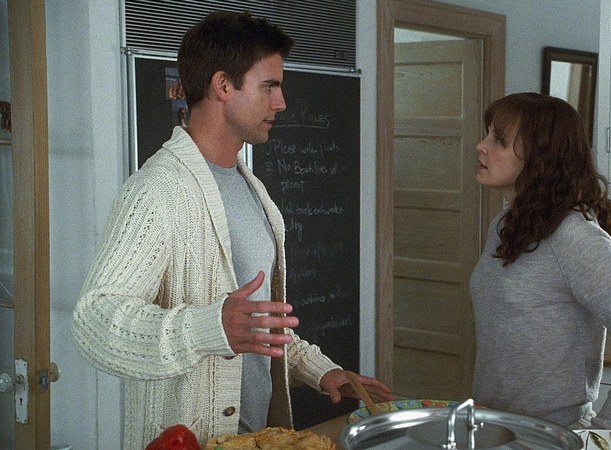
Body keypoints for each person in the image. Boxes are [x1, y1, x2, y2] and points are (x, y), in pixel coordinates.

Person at [72, 11, 393, 448]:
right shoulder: (156, 190)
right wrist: (207, 329)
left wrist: (321, 371)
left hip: (255, 437)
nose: (281, 103)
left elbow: (251, 325)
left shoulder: (251, 188)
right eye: (269, 86)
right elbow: (94, 321)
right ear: (223, 86)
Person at [469, 92, 611, 431]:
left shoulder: (574, 236)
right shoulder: (504, 224)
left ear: (539, 156)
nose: (481, 146)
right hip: (494, 429)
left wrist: (603, 439)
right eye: (487, 134)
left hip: (554, 435)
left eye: (497, 139)